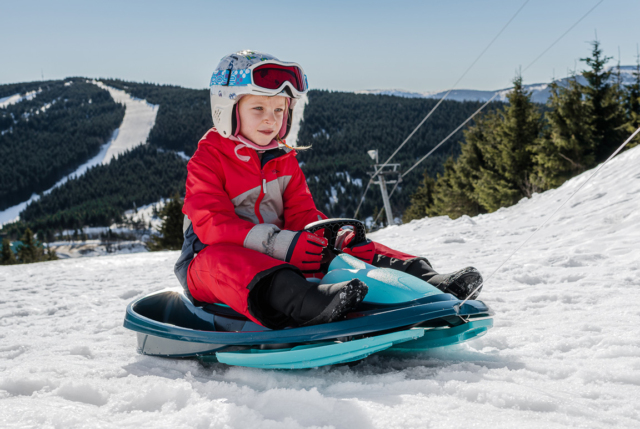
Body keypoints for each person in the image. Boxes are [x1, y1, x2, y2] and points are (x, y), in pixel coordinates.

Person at [174, 50, 482, 330]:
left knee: (349, 247)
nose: (270, 119)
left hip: (278, 254)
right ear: (227, 108)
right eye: (258, 108)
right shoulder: (208, 160)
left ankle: (428, 281)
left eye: (279, 111)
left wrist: (338, 240)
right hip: (206, 265)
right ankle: (310, 303)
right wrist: (278, 244)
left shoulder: (284, 161)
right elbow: (212, 225)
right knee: (227, 260)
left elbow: (303, 216)